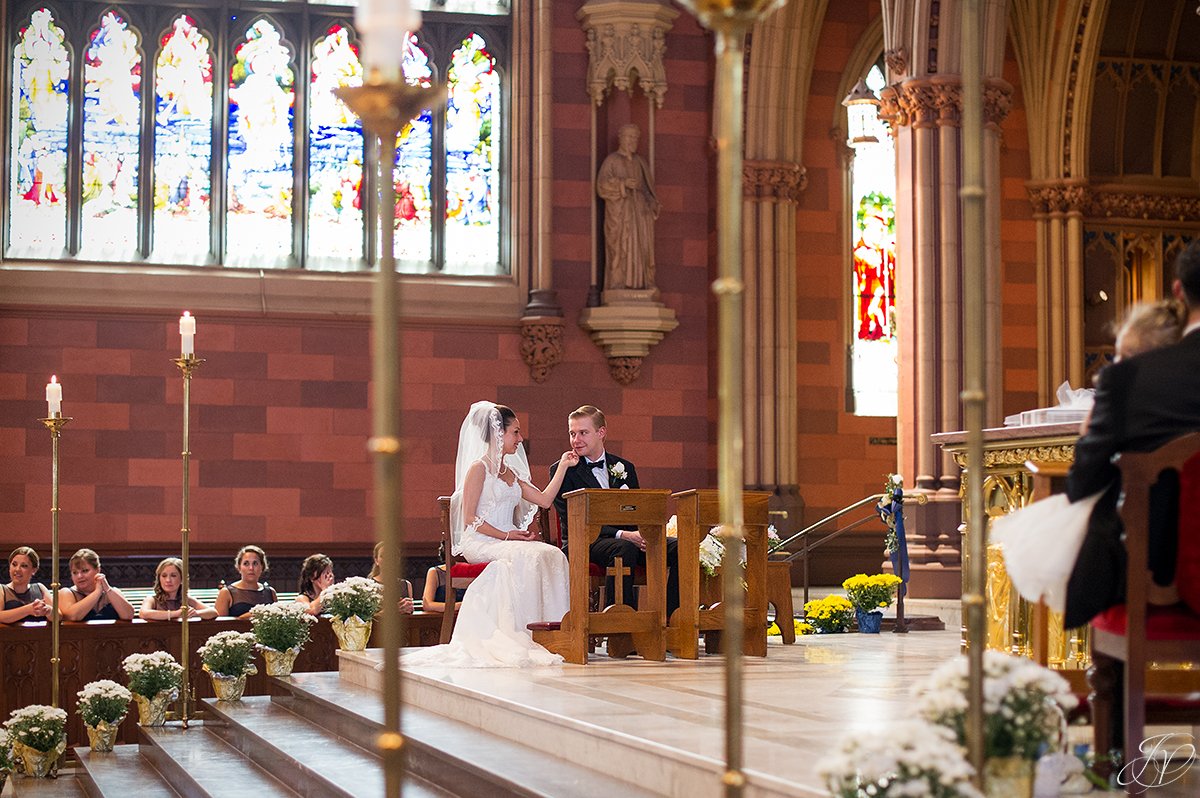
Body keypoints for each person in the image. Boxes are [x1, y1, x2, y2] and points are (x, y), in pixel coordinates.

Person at [1063, 240, 1200, 629]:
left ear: (1178, 290)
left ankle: (1114, 687)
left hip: (1152, 570)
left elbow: (1081, 484)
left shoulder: (1131, 377)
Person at [404, 401, 578, 667]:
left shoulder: (512, 472)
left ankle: (557, 632)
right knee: (527, 557)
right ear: (499, 433)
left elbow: (544, 500)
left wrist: (564, 466)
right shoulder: (478, 469)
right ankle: (524, 632)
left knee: (553, 554)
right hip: (480, 540)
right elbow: (470, 519)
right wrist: (508, 536)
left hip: (506, 539)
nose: (520, 439)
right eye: (515, 432)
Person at [550, 405, 680, 618]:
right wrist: (625, 535)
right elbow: (574, 518)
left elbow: (637, 508)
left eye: (583, 433)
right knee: (623, 549)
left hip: (628, 538)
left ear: (601, 433)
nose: (576, 440)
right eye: (572, 434)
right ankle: (620, 623)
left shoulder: (624, 467)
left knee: (678, 547)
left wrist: (645, 535)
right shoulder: (563, 470)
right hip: (586, 541)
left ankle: (671, 620)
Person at [596, 123, 660, 291]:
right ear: (621, 138)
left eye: (636, 138)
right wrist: (623, 184)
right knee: (620, 248)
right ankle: (618, 283)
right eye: (630, 137)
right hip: (620, 213)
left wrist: (652, 203)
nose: (633, 141)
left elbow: (647, 189)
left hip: (639, 214)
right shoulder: (612, 160)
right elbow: (602, 186)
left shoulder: (640, 162)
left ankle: (642, 283)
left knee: (641, 249)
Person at [59, 548, 135, 621]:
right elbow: (72, 616)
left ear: (98, 570)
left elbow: (128, 615)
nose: (79, 576)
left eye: (85, 571)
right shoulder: (66, 593)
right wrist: (97, 592)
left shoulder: (112, 591)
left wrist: (107, 589)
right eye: (75, 572)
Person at [139, 557, 217, 621]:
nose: (168, 580)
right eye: (164, 576)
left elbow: (213, 612)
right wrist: (176, 614)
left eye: (173, 576)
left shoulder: (186, 599)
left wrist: (195, 613)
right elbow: (144, 613)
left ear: (182, 579)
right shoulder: (152, 599)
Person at [214, 545, 278, 618]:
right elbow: (218, 625)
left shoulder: (271, 592)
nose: (251, 568)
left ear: (262, 567)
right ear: (239, 567)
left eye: (255, 563)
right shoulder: (226, 593)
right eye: (246, 564)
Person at [1, 546, 53, 624]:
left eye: (24, 566)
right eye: (14, 564)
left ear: (34, 570)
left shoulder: (40, 587)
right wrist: (28, 610)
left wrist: (48, 610)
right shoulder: (1, 589)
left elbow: (59, 616)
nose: (17, 569)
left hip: (40, 635)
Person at [369, 542, 414, 615]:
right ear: (376, 560)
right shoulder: (367, 586)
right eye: (383, 556)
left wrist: (408, 608)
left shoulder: (406, 584)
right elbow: (364, 619)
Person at [421, 543, 466, 614]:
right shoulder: (435, 572)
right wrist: (457, 606)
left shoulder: (476, 571)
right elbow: (427, 604)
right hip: (440, 618)